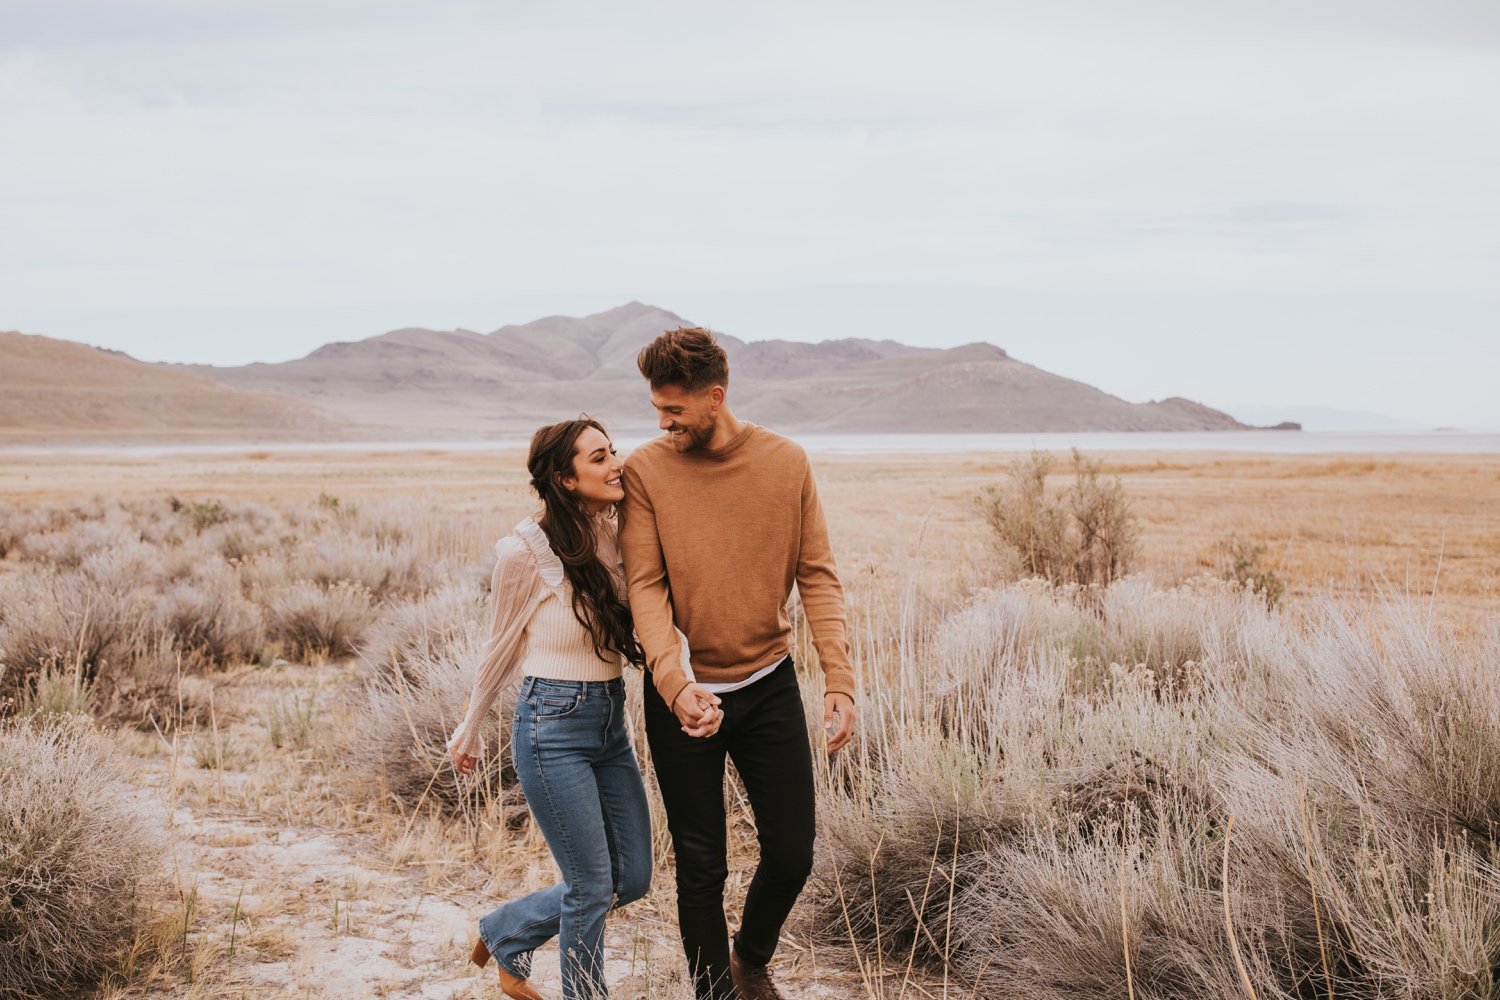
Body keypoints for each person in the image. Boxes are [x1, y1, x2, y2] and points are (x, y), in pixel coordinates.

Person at [620, 328, 857, 1000]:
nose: (662, 424)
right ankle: (714, 991)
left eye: (674, 411)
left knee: (792, 850)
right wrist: (674, 683)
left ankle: (751, 958)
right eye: (657, 410)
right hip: (684, 699)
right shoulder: (646, 471)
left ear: (715, 397)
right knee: (701, 866)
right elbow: (645, 586)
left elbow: (818, 575)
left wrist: (839, 678)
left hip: (768, 685)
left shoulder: (786, 463)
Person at [449, 418, 684, 1000]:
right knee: (589, 884)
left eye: (614, 452)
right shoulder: (524, 551)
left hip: (609, 721)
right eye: (599, 458)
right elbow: (499, 645)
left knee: (630, 878)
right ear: (565, 478)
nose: (615, 465)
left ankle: (506, 929)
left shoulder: (618, 535)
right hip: (550, 723)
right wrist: (470, 725)